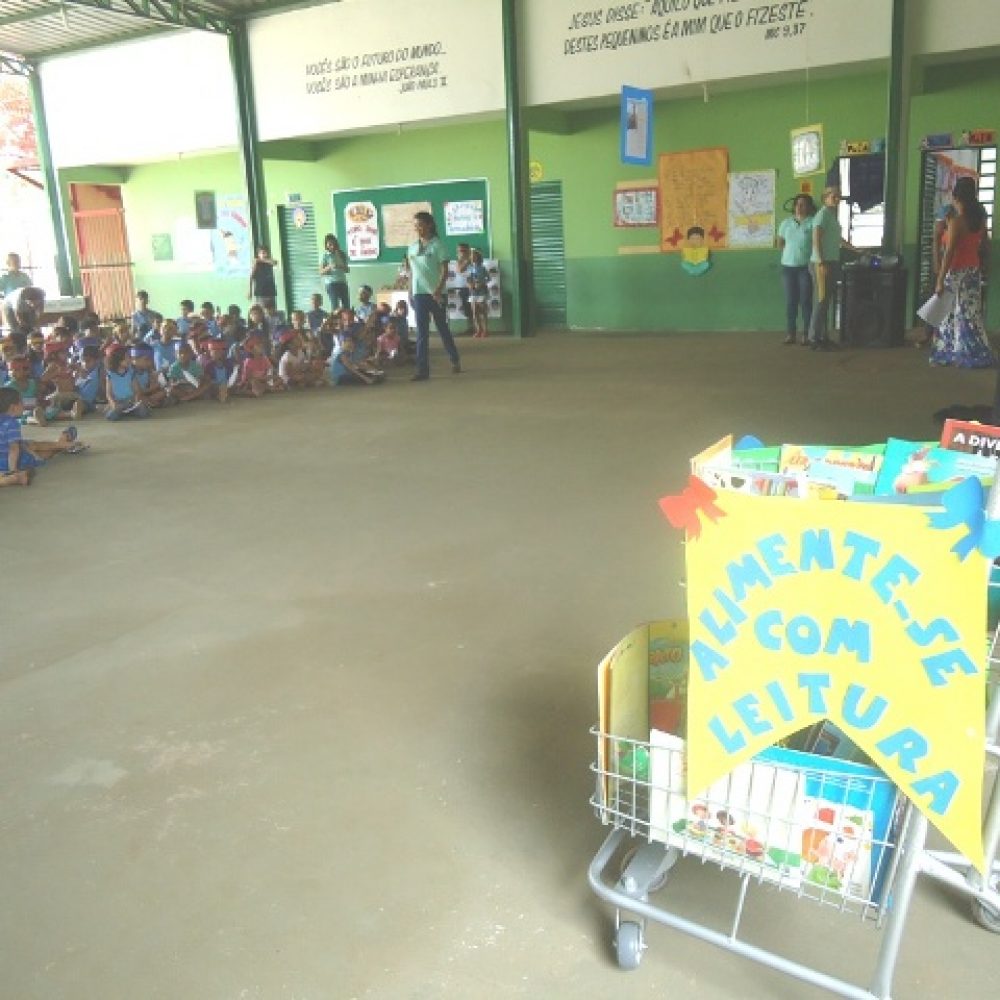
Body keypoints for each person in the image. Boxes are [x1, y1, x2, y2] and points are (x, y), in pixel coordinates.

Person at [930, 176, 994, 368]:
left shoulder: (957, 222)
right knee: (970, 313)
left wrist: (940, 280)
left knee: (948, 314)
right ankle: (974, 351)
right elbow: (987, 244)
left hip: (956, 271)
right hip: (973, 271)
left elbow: (949, 253)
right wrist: (984, 266)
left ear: (957, 196)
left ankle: (952, 352)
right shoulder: (980, 219)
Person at [405, 211, 461, 381]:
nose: (418, 228)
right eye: (415, 225)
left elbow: (445, 270)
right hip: (419, 294)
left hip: (436, 294)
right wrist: (410, 292)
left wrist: (438, 289)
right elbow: (411, 272)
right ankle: (422, 370)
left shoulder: (438, 245)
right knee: (422, 333)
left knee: (442, 328)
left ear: (429, 225)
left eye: (420, 225)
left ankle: (454, 359)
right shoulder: (412, 247)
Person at [0, 387, 86, 486]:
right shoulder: (12, 423)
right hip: (13, 459)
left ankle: (64, 442)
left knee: (32, 444)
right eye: (21, 402)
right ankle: (64, 442)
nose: (24, 405)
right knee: (43, 453)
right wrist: (13, 470)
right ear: (13, 407)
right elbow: (14, 449)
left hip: (8, 454)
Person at [808, 186, 854, 351]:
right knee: (820, 301)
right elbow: (816, 239)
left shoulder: (831, 216)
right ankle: (814, 339)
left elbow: (837, 239)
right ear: (825, 197)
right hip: (822, 262)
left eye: (838, 196)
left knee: (826, 301)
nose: (837, 199)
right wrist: (821, 262)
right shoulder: (822, 215)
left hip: (832, 261)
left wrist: (854, 248)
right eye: (834, 196)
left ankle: (823, 336)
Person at [776, 194, 816, 345]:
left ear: (809, 207)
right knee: (791, 302)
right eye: (798, 204)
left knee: (806, 301)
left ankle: (806, 334)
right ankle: (791, 333)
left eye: (803, 204)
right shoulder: (786, 223)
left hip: (806, 268)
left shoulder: (812, 222)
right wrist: (790, 253)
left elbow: (816, 243)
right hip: (788, 268)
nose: (800, 207)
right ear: (794, 206)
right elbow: (780, 243)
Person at [104, 347, 152, 420]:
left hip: (131, 401)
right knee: (111, 416)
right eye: (127, 358)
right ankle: (122, 411)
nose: (129, 360)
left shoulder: (131, 372)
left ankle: (127, 411)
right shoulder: (110, 374)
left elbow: (137, 390)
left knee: (143, 412)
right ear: (119, 360)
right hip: (118, 402)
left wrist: (136, 399)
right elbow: (109, 393)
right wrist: (113, 403)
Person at [319, 234, 350, 311]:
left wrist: (340, 266)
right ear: (326, 245)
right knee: (335, 305)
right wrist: (329, 267)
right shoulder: (325, 256)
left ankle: (347, 322)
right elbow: (321, 272)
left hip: (342, 282)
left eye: (333, 244)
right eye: (329, 244)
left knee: (346, 305)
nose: (332, 246)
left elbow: (347, 270)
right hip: (331, 283)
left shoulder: (341, 254)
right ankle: (335, 322)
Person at [467, 248, 490, 339]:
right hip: (473, 292)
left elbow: (488, 279)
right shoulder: (470, 268)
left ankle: (485, 330)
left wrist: (481, 284)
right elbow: (468, 279)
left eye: (474, 255)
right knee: (474, 312)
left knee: (483, 312)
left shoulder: (482, 268)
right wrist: (470, 284)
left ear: (478, 257)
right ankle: (478, 330)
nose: (472, 257)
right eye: (471, 255)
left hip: (481, 292)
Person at [454, 242, 474, 333]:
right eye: (459, 251)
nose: (461, 252)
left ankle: (478, 327)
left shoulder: (474, 260)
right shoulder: (458, 262)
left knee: (475, 308)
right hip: (463, 288)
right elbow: (460, 269)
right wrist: (466, 261)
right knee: (467, 308)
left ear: (468, 251)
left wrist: (469, 260)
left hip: (473, 287)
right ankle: (471, 327)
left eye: (463, 250)